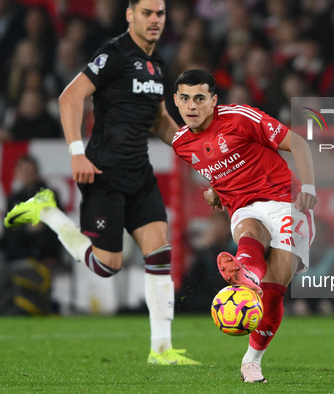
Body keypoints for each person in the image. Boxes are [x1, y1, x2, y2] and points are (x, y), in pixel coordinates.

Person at [3, 0, 199, 366]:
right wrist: (77, 152)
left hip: (139, 174)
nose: (155, 20)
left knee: (159, 254)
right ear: (130, 15)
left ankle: (161, 350)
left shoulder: (157, 66)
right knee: (107, 266)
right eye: (147, 13)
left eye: (160, 14)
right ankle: (47, 211)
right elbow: (70, 97)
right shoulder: (114, 54)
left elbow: (159, 120)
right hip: (103, 174)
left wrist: (199, 156)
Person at [170, 69, 316, 383]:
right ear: (176, 102)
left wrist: (309, 189)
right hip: (243, 207)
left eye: (199, 98)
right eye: (185, 98)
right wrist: (213, 190)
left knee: (274, 294)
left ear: (213, 101)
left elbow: (300, 144)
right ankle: (248, 273)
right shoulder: (181, 144)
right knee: (250, 230)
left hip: (285, 200)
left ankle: (252, 358)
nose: (192, 106)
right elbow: (214, 164)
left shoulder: (240, 118)